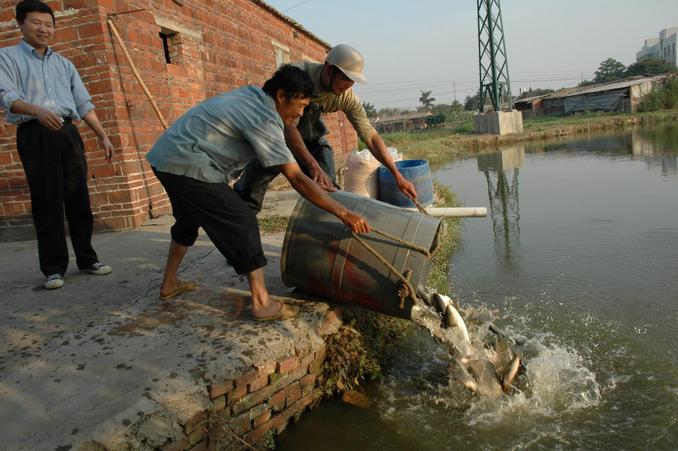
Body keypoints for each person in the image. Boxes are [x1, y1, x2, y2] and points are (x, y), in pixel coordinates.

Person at [146, 65, 371, 320]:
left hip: (166, 158)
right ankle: (262, 301)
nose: (300, 114)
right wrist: (343, 212)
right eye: (298, 106)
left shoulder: (252, 95)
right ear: (281, 95)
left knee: (187, 221)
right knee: (242, 219)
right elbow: (295, 177)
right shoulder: (264, 118)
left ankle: (169, 283)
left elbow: (294, 162)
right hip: (187, 162)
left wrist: (315, 179)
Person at [0, 0, 115, 290]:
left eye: (49, 24)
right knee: (47, 201)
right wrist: (36, 111)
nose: (43, 29)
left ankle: (87, 259)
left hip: (67, 133)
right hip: (34, 133)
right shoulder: (7, 57)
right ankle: (53, 268)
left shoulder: (64, 64)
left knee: (79, 199)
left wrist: (102, 134)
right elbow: (7, 95)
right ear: (21, 24)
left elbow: (83, 103)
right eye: (36, 22)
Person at [234, 44, 417, 212]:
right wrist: (312, 165)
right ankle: (240, 221)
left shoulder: (346, 96)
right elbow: (288, 125)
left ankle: (323, 231)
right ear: (329, 69)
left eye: (351, 83)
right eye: (344, 81)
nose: (346, 87)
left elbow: (370, 136)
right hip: (277, 136)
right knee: (250, 191)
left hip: (310, 140)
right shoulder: (300, 76)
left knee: (327, 186)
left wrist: (397, 175)